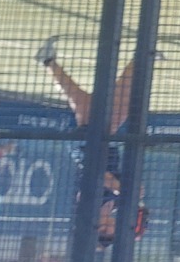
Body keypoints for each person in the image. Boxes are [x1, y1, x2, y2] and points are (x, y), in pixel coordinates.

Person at [35, 38, 145, 246]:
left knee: (115, 105)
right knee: (84, 100)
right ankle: (48, 61)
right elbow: (128, 183)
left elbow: (99, 175)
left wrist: (122, 190)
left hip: (88, 148)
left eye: (110, 233)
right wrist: (136, 192)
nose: (115, 228)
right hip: (107, 146)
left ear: (102, 229)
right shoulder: (114, 205)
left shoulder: (88, 206)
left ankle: (141, 57)